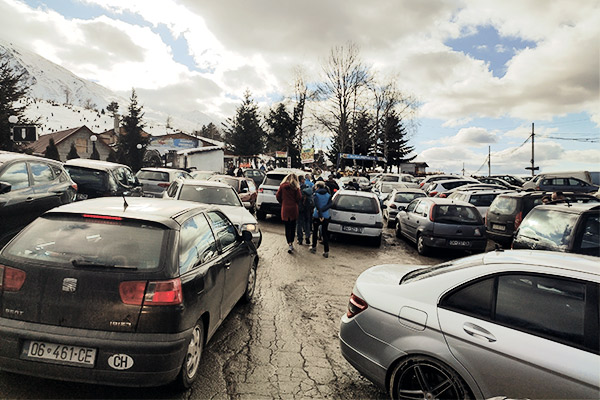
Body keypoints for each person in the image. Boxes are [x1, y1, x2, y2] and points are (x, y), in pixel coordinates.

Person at [276, 173, 302, 253]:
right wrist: (295, 202)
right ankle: (292, 240)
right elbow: (299, 197)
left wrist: (283, 202)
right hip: (294, 208)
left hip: (285, 208)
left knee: (287, 227)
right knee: (293, 226)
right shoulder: (296, 188)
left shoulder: (282, 186)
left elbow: (277, 196)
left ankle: (289, 243)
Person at [310, 181, 332, 258]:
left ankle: (314, 247)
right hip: (326, 215)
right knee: (325, 233)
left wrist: (320, 215)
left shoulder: (316, 195)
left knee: (315, 231)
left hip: (317, 215)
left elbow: (316, 205)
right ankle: (326, 251)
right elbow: (330, 204)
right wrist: (323, 212)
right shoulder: (328, 195)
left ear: (317, 187)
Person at [296, 176, 314, 245]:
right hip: (307, 208)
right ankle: (307, 237)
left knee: (299, 224)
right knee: (307, 223)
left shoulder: (298, 188)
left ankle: (300, 239)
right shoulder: (307, 187)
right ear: (302, 180)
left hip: (300, 208)